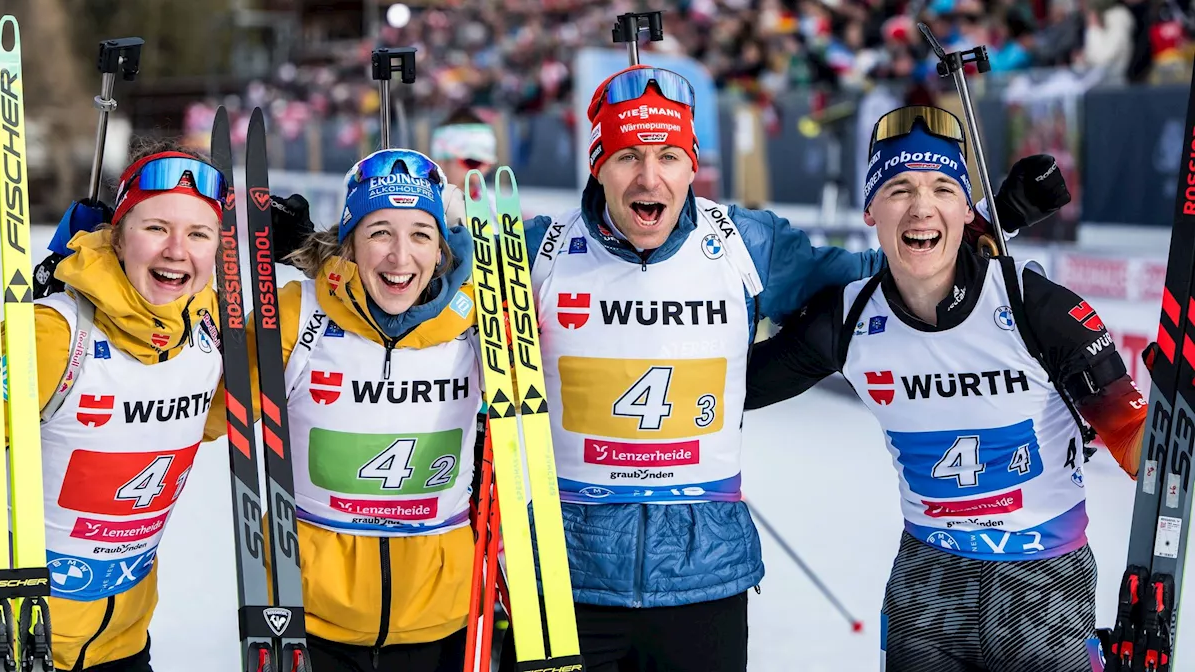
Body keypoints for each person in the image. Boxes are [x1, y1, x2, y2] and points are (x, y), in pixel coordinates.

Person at [508, 67, 1069, 671]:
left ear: (693, 165)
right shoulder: (537, 250)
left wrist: (987, 223)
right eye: (627, 157)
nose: (650, 177)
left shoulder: (744, 242)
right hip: (562, 583)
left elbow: (881, 277)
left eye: (669, 155)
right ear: (597, 164)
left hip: (704, 579)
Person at [743, 105, 1143, 672]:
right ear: (869, 210)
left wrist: (1163, 427)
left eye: (941, 188)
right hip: (926, 582)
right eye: (899, 188)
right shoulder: (848, 319)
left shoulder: (1035, 306)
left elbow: (1138, 445)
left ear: (966, 208)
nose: (921, 206)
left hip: (1044, 579)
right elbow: (734, 387)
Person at [0, 142, 230, 672]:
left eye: (199, 233)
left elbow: (228, 415)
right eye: (156, 228)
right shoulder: (51, 335)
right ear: (118, 234)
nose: (177, 250)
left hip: (121, 640)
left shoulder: (208, 329)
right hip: (2, 631)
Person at [274, 148, 479, 671]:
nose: (400, 257)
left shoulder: (480, 318)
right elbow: (199, 407)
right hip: (313, 619)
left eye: (420, 235)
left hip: (441, 618)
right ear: (350, 242)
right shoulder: (303, 314)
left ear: (441, 249)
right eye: (380, 232)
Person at [429, 106, 497, 198]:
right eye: (472, 162)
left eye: (488, 165)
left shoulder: (496, 209)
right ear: (441, 161)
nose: (479, 174)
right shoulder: (417, 208)